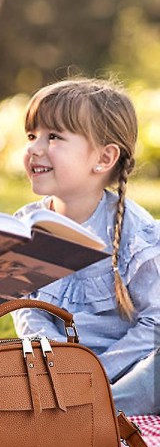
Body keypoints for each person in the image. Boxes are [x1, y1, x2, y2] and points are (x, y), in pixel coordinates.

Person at [13, 78, 160, 416]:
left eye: (54, 137)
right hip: (52, 370)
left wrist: (96, 374)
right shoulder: (28, 227)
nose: (35, 148)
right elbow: (26, 311)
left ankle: (94, 414)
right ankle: (73, 411)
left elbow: (155, 322)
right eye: (32, 135)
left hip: (123, 371)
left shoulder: (135, 233)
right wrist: (61, 368)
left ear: (104, 158)